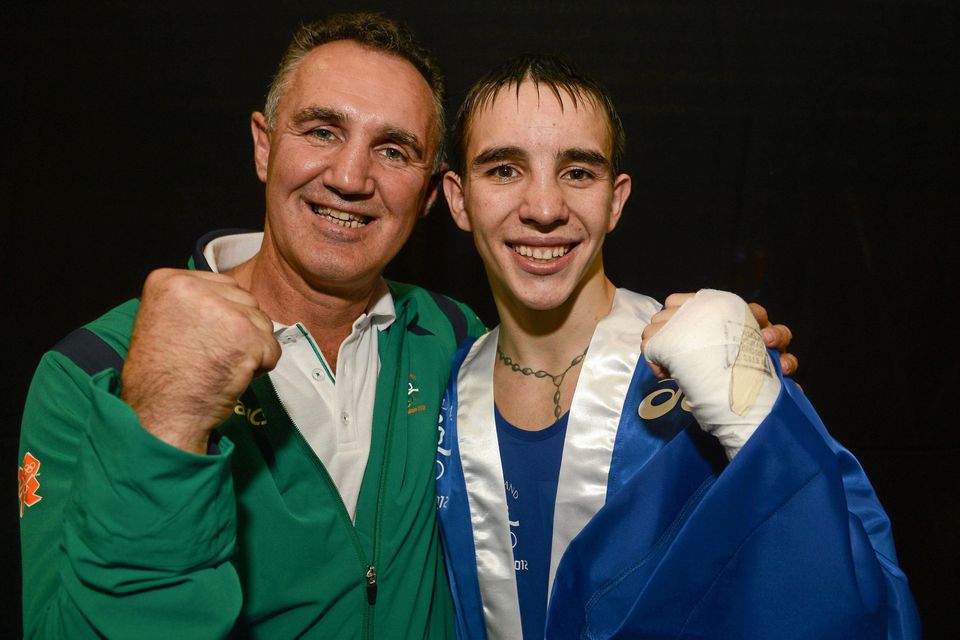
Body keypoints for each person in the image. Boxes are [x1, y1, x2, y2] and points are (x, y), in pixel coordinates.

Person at [18, 13, 795, 639]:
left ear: (431, 195)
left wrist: (726, 355)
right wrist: (165, 420)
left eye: (392, 150)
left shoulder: (447, 335)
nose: (351, 178)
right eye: (321, 130)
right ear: (263, 144)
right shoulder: (93, 369)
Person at [435, 54, 920, 639]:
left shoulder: (713, 359)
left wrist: (767, 437)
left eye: (579, 172)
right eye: (505, 169)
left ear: (616, 200)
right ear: (459, 200)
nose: (544, 208)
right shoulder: (440, 384)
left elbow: (878, 610)